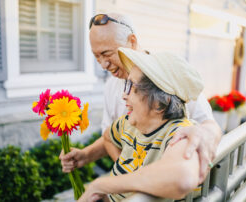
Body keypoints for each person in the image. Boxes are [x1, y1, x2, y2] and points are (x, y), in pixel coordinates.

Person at [60, 13, 221, 184]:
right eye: (96, 56)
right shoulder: (111, 86)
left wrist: (206, 134)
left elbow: (208, 125)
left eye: (106, 53)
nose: (103, 64)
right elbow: (111, 135)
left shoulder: (166, 75)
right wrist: (86, 155)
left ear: (132, 41)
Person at [78, 47, 204, 202]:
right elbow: (108, 138)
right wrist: (124, 170)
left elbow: (182, 179)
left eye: (132, 86)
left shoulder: (179, 132)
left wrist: (102, 185)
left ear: (160, 104)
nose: (124, 95)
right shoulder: (128, 123)